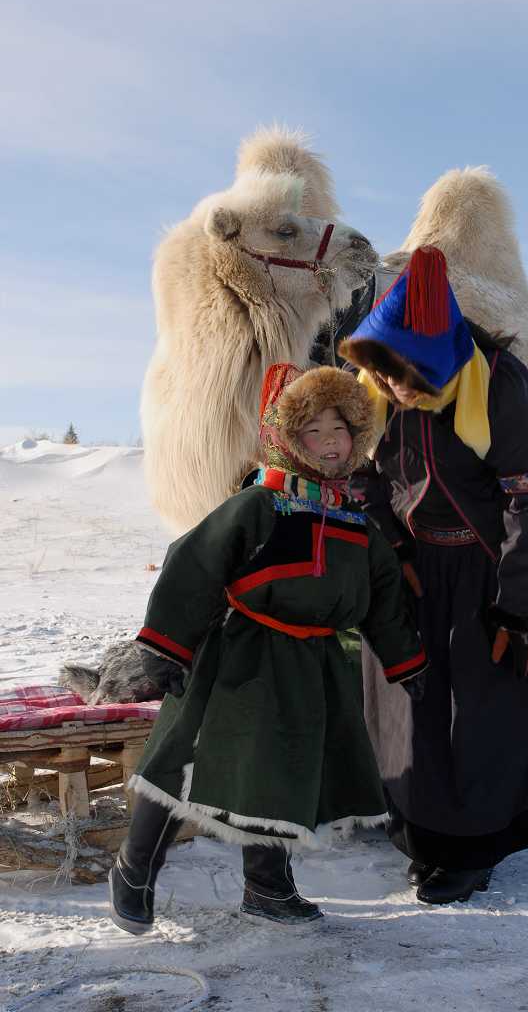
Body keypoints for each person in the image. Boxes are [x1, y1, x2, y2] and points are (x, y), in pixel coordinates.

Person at [109, 363, 428, 934]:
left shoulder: (357, 524)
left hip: (314, 664)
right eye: (314, 432)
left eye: (340, 430)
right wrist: (165, 650)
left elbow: (384, 605)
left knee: (284, 768)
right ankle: (135, 867)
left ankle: (268, 887)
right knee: (184, 758)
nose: (330, 444)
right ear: (289, 440)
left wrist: (407, 664)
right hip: (240, 655)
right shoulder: (258, 504)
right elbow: (193, 568)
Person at [338, 246, 528, 905]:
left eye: (407, 377)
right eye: (386, 374)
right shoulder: (378, 389)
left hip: (496, 567)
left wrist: (522, 609)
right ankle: (418, 828)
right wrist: (390, 550)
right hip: (416, 568)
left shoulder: (503, 386)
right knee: (408, 703)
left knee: (480, 713)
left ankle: (471, 846)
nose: (396, 389)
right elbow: (365, 479)